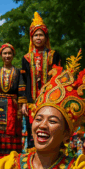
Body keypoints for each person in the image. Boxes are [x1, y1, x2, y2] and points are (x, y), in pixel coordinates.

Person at [21, 12, 62, 149]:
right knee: (32, 129)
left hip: (51, 100)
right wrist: (23, 103)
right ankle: (32, 160)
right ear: (31, 38)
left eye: (41, 35)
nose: (38, 38)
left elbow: (59, 77)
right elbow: (24, 81)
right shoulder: (26, 58)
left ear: (46, 37)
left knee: (51, 128)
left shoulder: (53, 55)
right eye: (35, 35)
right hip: (32, 102)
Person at [0, 43, 24, 160]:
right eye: (5, 53)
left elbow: (21, 90)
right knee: (0, 133)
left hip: (14, 107)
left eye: (9, 53)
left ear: (13, 55)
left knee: (14, 135)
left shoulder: (18, 72)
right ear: (1, 55)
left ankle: (14, 160)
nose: (7, 56)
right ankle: (0, 161)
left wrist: (22, 107)